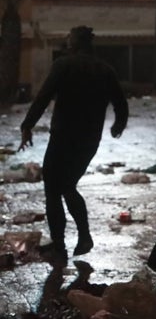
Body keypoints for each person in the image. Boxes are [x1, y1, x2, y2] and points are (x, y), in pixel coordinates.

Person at [18, 25, 129, 265]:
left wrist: (27, 125)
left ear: (74, 42)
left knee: (53, 188)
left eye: (69, 37)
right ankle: (82, 237)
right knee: (68, 185)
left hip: (63, 137)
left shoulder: (63, 65)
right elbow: (121, 103)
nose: (66, 41)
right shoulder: (105, 70)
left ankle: (60, 244)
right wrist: (117, 125)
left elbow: (44, 96)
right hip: (89, 140)